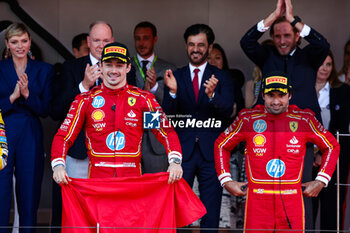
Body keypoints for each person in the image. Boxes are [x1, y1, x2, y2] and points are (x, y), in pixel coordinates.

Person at [240, 0, 330, 228]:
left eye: (287, 35)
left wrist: (293, 20)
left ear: (297, 36)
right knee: (265, 186)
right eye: (277, 36)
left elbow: (323, 44)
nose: (282, 41)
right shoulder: (266, 55)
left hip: (303, 132)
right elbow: (246, 42)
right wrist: (273, 17)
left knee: (304, 188)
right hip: (268, 130)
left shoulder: (309, 56)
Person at [214, 71, 340, 233]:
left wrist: (321, 180)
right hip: (257, 203)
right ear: (262, 95)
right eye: (270, 95)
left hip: (291, 202)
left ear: (290, 95)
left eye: (281, 95)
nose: (275, 101)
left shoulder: (303, 120)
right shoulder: (248, 119)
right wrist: (226, 180)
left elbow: (332, 146)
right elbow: (221, 145)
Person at [51, 41, 182, 184]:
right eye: (109, 65)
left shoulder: (142, 100)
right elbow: (64, 136)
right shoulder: (85, 101)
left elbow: (165, 132)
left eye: (119, 65)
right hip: (98, 188)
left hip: (130, 187)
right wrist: (58, 165)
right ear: (100, 66)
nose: (114, 70)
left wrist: (175, 161)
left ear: (128, 67)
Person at [162, 24, 234, 233]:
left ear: (209, 47)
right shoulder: (176, 75)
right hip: (182, 153)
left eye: (201, 45)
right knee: (179, 210)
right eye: (191, 44)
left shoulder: (222, 76)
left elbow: (228, 110)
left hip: (211, 152)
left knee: (211, 211)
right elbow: (168, 115)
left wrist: (212, 96)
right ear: (186, 46)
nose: (196, 49)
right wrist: (173, 92)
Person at [0, 22, 53, 233]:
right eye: (14, 42)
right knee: (1, 194)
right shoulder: (0, 69)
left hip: (30, 135)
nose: (20, 46)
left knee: (29, 194)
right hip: (3, 134)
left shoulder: (44, 70)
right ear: (7, 44)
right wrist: (12, 98)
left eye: (24, 41)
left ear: (30, 42)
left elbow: (46, 110)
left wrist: (28, 96)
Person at [131, 21, 176, 174]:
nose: (141, 43)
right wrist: (145, 90)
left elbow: (172, 105)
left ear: (155, 39)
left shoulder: (168, 68)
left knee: (155, 192)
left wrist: (155, 88)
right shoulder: (124, 66)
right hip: (130, 136)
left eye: (146, 38)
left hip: (156, 139)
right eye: (137, 38)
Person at [313, 52, 350, 232]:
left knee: (331, 212)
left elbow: (342, 127)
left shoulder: (342, 90)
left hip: (332, 160)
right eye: (321, 64)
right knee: (306, 211)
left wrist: (322, 153)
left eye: (328, 64)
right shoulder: (302, 88)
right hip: (304, 158)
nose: (325, 68)